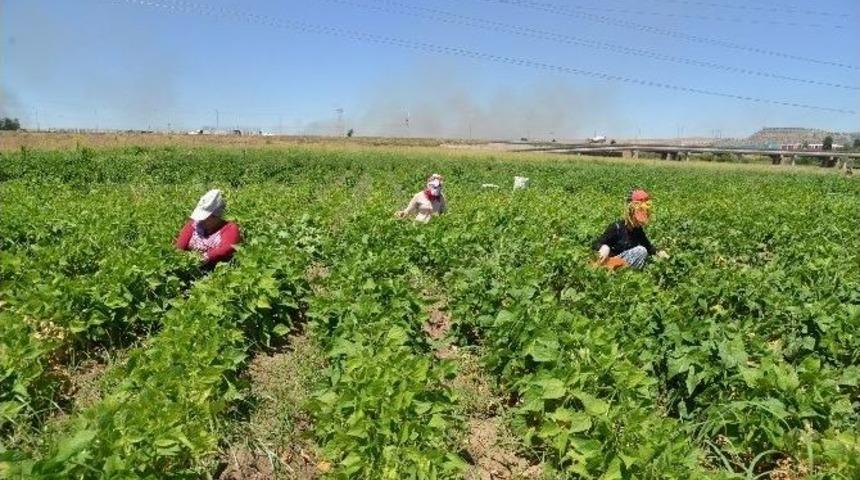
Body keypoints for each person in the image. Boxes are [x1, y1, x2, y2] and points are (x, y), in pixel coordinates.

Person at [592, 189, 668, 270]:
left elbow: (648, 247)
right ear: (631, 213)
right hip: (611, 265)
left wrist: (660, 253)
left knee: (644, 252)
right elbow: (596, 244)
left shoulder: (638, 230)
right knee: (641, 251)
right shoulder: (616, 227)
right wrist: (604, 247)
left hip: (624, 267)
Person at [175, 189, 241, 268]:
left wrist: (204, 258)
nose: (202, 220)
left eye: (207, 217)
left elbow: (227, 248)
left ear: (216, 216)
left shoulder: (229, 228)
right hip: (190, 267)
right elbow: (179, 247)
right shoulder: (194, 224)